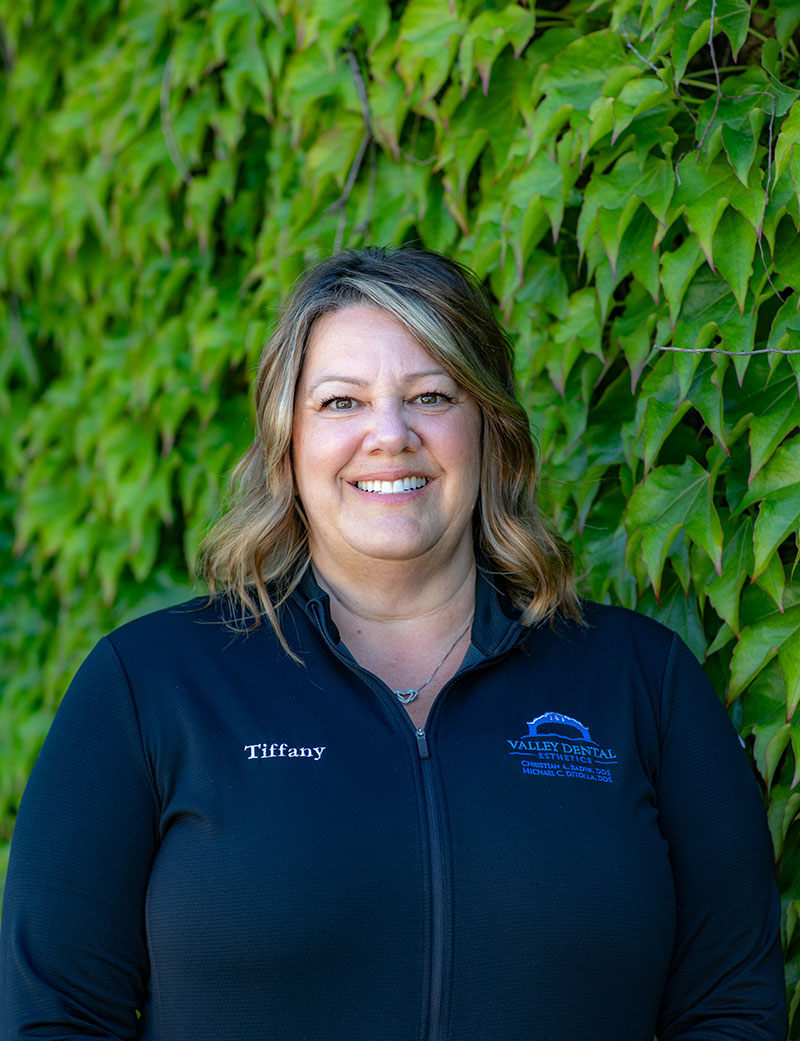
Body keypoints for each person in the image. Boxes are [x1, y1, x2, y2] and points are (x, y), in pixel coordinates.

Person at [0, 246, 786, 1040]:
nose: (390, 434)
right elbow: (55, 1015)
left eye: (431, 394)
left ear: (490, 429)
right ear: (287, 442)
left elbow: (733, 1009)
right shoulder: (150, 686)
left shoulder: (642, 684)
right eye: (341, 402)